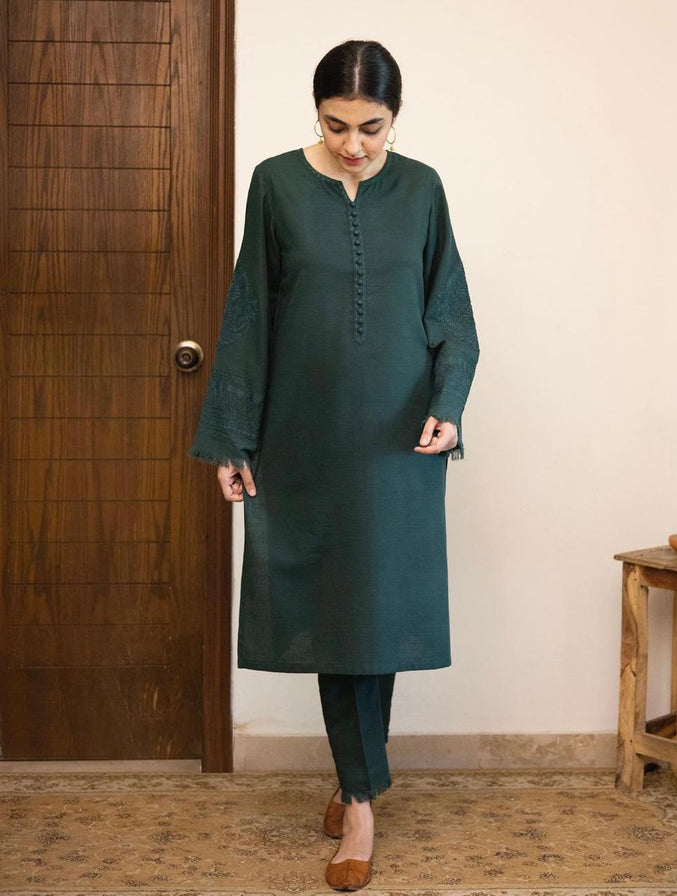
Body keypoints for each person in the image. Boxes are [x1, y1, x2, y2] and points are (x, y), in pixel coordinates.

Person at [189, 40, 479, 892]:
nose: (354, 145)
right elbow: (249, 315)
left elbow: (451, 312)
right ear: (315, 114)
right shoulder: (276, 185)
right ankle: (360, 799)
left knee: (376, 615)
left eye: (371, 127)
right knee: (335, 613)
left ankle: (356, 780)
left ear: (396, 117)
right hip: (304, 438)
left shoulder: (422, 189)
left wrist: (449, 404)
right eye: (336, 125)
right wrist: (233, 439)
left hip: (399, 442)